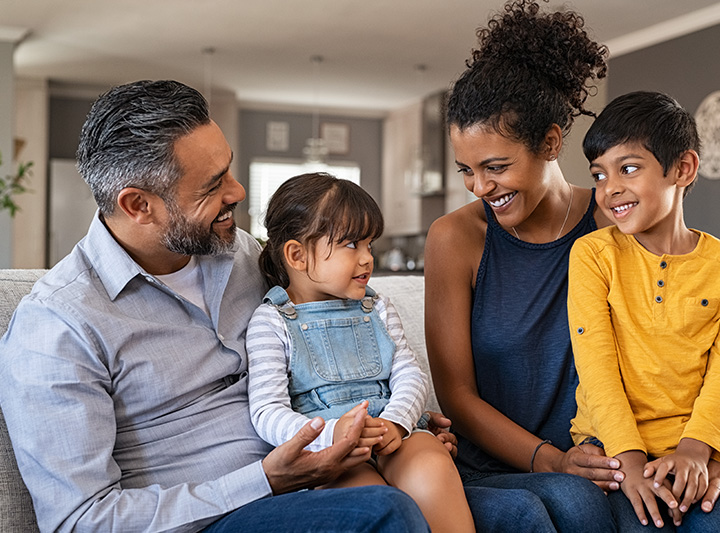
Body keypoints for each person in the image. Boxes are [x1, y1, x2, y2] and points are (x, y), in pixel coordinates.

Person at [0, 80, 429, 532]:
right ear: (138, 204)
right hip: (217, 518)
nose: (238, 191)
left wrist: (395, 417)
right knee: (384, 514)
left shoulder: (242, 254)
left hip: (332, 473)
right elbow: (81, 521)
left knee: (508, 508)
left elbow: (322, 337)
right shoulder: (58, 326)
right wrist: (265, 481)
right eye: (212, 185)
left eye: (229, 170)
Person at [424, 1, 619, 531]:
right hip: (498, 468)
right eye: (466, 169)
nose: (480, 188)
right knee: (576, 502)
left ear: (552, 142)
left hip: (607, 453)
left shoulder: (611, 223)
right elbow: (457, 398)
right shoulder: (455, 239)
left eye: (496, 167)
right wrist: (551, 459)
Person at [568, 90, 720, 532]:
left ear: (683, 168)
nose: (609, 188)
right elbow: (596, 368)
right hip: (616, 449)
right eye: (599, 174)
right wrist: (631, 462)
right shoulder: (593, 256)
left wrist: (702, 451)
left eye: (629, 168)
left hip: (697, 444)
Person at [246, 172, 475, 532]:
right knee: (372, 505)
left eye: (370, 244)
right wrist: (329, 434)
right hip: (331, 452)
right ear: (297, 255)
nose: (368, 258)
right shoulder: (270, 322)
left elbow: (410, 374)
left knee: (430, 462)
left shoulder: (377, 307)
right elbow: (266, 410)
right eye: (352, 244)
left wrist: (397, 422)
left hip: (394, 434)